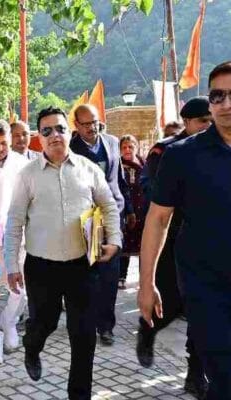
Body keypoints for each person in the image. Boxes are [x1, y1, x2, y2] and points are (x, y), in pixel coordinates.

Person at [5, 107, 121, 400]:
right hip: (41, 267)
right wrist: (11, 264)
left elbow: (108, 206)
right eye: (47, 131)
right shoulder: (27, 175)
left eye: (60, 128)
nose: (54, 135)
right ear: (39, 137)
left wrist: (115, 240)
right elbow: (14, 221)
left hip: (83, 265)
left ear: (69, 132)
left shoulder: (89, 169)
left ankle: (79, 395)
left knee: (83, 336)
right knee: (45, 322)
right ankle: (32, 347)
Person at [139, 62, 231, 400]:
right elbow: (158, 219)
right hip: (206, 287)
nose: (225, 103)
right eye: (217, 96)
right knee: (223, 375)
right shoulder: (181, 155)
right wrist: (146, 284)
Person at [136, 96, 212, 399]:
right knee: (170, 303)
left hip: (207, 245)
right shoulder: (166, 151)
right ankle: (148, 330)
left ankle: (195, 374)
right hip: (170, 241)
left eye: (211, 120)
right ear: (188, 122)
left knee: (200, 312)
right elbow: (151, 190)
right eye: (203, 121)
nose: (208, 126)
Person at [70, 104, 131, 346]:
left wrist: (129, 209)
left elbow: (120, 179)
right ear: (76, 125)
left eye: (94, 122)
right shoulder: (69, 148)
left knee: (110, 275)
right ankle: (84, 321)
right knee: (86, 274)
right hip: (85, 219)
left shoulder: (113, 142)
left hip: (113, 214)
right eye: (86, 124)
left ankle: (106, 326)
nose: (92, 128)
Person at [0, 119, 30, 364]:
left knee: (20, 289)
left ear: (10, 140)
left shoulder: (23, 165)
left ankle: (9, 322)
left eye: (3, 143)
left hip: (17, 237)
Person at [118, 134, 145, 290]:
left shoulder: (144, 164)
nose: (127, 150)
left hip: (143, 209)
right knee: (125, 243)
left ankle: (144, 277)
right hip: (126, 209)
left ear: (136, 147)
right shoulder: (118, 166)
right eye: (124, 147)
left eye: (131, 146)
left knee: (144, 244)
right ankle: (121, 276)